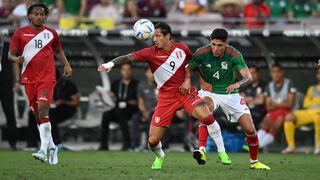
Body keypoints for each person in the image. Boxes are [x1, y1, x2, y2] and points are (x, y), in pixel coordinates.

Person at [98, 22, 225, 170]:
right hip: (166, 98)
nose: (155, 39)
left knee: (207, 116)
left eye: (158, 36)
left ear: (168, 36)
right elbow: (127, 57)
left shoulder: (182, 48)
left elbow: (192, 62)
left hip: (185, 93)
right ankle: (160, 156)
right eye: (153, 36)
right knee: (152, 140)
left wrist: (188, 79)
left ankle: (221, 152)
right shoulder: (150, 53)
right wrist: (110, 64)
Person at [190, 28, 270, 170]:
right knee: (206, 110)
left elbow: (248, 76)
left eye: (219, 45)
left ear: (226, 43)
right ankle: (202, 149)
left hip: (230, 94)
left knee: (250, 130)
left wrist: (238, 83)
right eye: (213, 44)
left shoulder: (234, 54)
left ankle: (254, 162)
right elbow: (189, 68)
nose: (215, 48)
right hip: (210, 92)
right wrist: (201, 81)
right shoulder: (202, 52)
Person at [8, 3, 72, 165]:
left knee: (43, 109)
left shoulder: (51, 33)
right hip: (29, 79)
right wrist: (16, 59)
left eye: (42, 14)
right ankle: (52, 147)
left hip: (47, 78)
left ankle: (43, 150)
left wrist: (66, 64)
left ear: (45, 16)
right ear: (29, 16)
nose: (39, 16)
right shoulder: (20, 33)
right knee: (38, 116)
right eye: (36, 14)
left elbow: (57, 50)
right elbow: (11, 54)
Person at [99, 63, 139, 151]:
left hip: (131, 110)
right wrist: (103, 95)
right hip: (117, 109)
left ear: (131, 71)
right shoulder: (116, 83)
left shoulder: (136, 84)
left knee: (121, 114)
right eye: (124, 69)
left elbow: (139, 100)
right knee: (106, 115)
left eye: (128, 69)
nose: (126, 72)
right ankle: (103, 144)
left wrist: (129, 102)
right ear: (121, 71)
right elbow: (112, 97)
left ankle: (127, 143)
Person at [257, 64, 296, 149]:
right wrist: (282, 104)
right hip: (274, 112)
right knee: (266, 120)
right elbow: (268, 107)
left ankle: (259, 145)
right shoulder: (269, 86)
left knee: (279, 119)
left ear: (282, 73)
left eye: (278, 72)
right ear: (271, 74)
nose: (276, 74)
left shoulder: (289, 83)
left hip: (287, 113)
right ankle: (255, 143)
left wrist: (275, 104)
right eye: (273, 72)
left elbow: (290, 104)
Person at [282, 68, 320, 155]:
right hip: (310, 112)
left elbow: (311, 102)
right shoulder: (312, 88)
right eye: (319, 73)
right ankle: (291, 146)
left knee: (318, 118)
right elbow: (306, 104)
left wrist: (315, 101)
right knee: (289, 117)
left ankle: (318, 147)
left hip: (317, 115)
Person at [50, 70, 80, 145]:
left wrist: (62, 102)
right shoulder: (49, 85)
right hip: (53, 110)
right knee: (34, 114)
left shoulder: (69, 86)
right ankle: (33, 142)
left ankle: (56, 141)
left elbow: (76, 102)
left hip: (67, 110)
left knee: (51, 115)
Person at [130, 67, 157, 150]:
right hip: (144, 110)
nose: (152, 74)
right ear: (146, 73)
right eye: (150, 72)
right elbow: (140, 102)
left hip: (157, 111)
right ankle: (135, 145)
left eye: (154, 72)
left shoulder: (161, 85)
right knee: (135, 118)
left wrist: (151, 111)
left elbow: (162, 102)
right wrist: (144, 112)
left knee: (151, 118)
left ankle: (148, 145)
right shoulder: (141, 85)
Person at [0, 36, 18, 150]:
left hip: (5, 84)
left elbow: (14, 63)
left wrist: (17, 80)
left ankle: (13, 142)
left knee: (10, 112)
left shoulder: (7, 46)